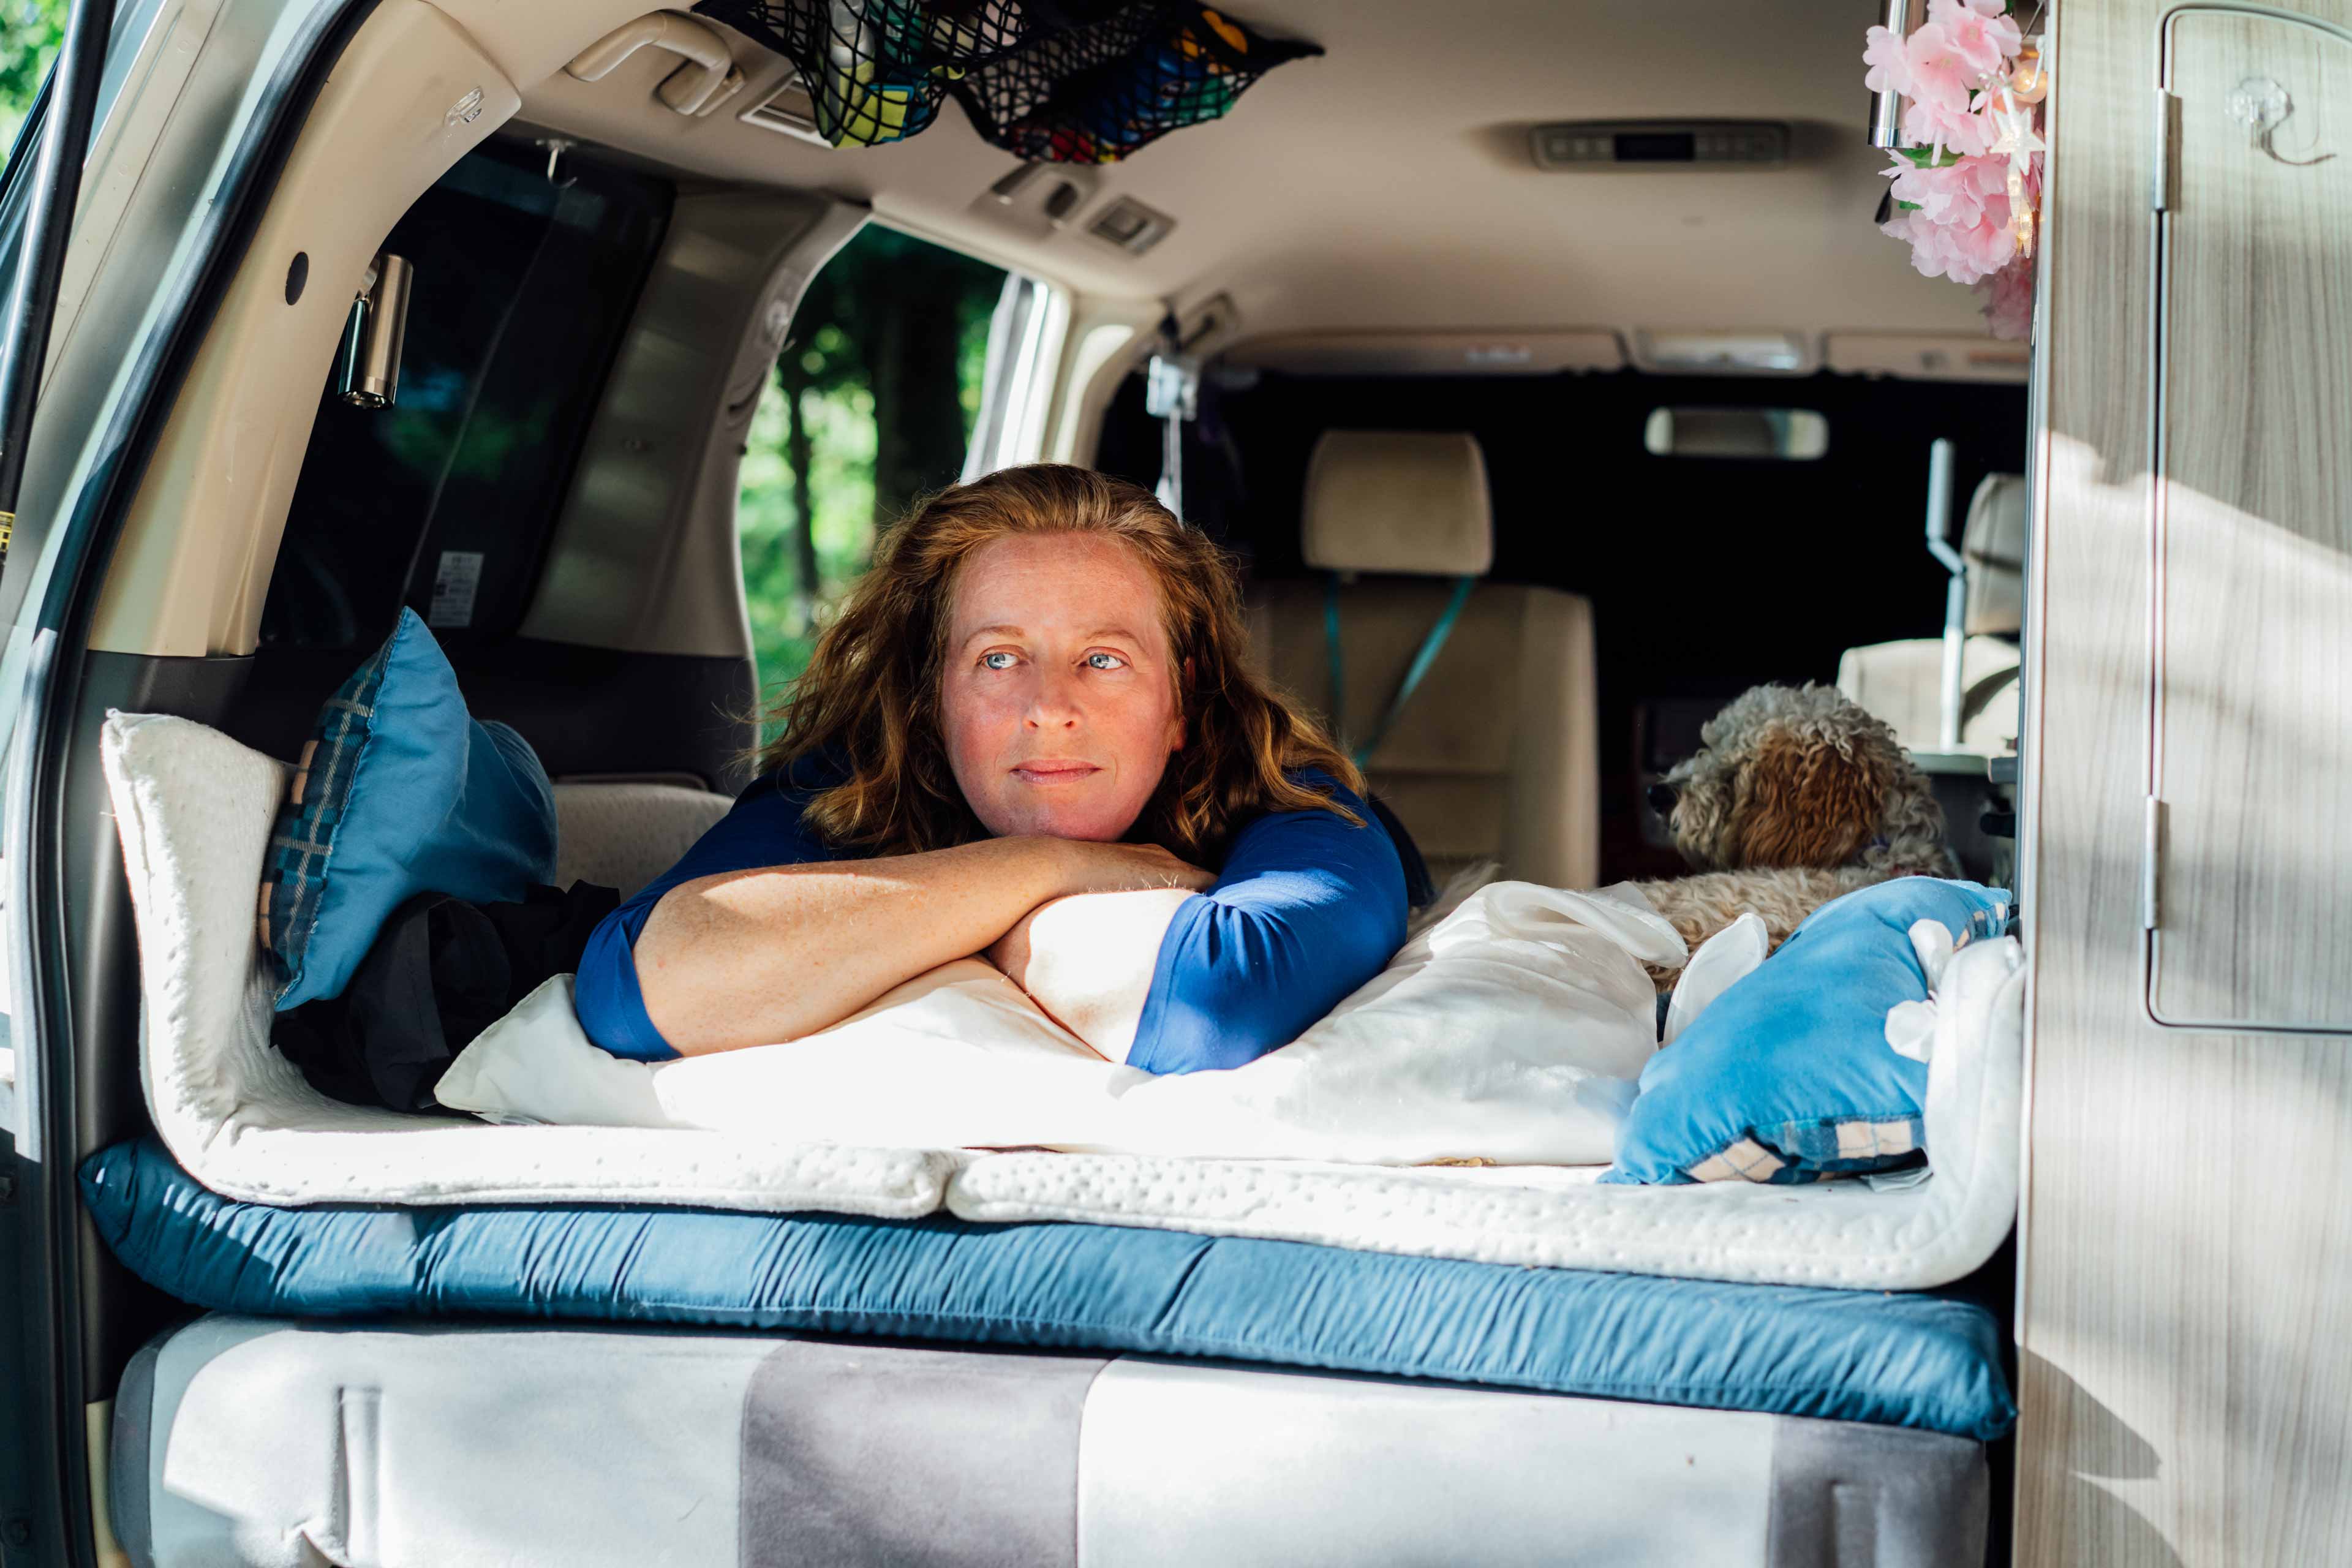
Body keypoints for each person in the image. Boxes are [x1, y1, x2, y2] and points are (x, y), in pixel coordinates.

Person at [571, 464, 1408, 1073]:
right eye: (1000, 658)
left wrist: (906, 926)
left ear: (1182, 701)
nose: (1050, 705)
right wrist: (1053, 866)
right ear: (934, 698)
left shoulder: (1292, 798)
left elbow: (1221, 1001)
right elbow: (633, 990)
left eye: (1105, 659)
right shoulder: (856, 784)